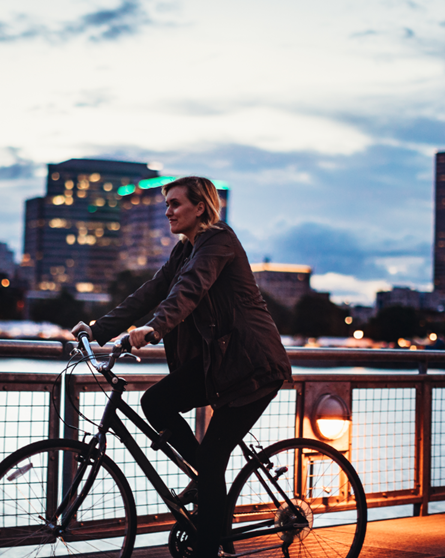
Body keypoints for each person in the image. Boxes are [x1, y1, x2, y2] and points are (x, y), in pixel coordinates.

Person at [72, 176, 292, 557]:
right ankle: (207, 482)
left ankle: (209, 537)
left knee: (210, 461)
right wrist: (97, 330)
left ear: (200, 207)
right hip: (220, 364)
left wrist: (154, 328)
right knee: (156, 403)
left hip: (253, 365)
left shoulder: (218, 240)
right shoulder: (184, 250)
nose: (168, 211)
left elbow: (190, 288)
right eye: (167, 204)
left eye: (175, 204)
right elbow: (151, 291)